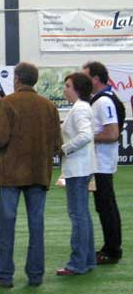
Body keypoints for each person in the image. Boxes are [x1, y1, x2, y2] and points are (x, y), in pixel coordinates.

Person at [0, 62, 61, 288]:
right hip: (38, 173)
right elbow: (57, 145)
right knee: (37, 225)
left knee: (6, 226)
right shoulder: (49, 106)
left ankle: (4, 275)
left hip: (11, 174)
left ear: (17, 79)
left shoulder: (8, 103)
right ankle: (35, 275)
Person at [56, 72, 96, 276]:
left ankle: (77, 263)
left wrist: (65, 148)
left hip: (78, 169)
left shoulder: (79, 108)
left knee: (78, 216)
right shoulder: (82, 107)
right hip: (83, 168)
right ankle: (87, 260)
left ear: (77, 89)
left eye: (68, 85)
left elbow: (86, 135)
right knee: (83, 216)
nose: (65, 89)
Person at [82, 61, 123, 264]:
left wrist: (87, 136)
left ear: (95, 79)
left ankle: (112, 249)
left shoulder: (103, 102)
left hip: (102, 163)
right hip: (101, 162)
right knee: (106, 206)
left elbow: (112, 133)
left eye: (86, 77)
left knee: (106, 206)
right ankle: (111, 246)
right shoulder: (103, 99)